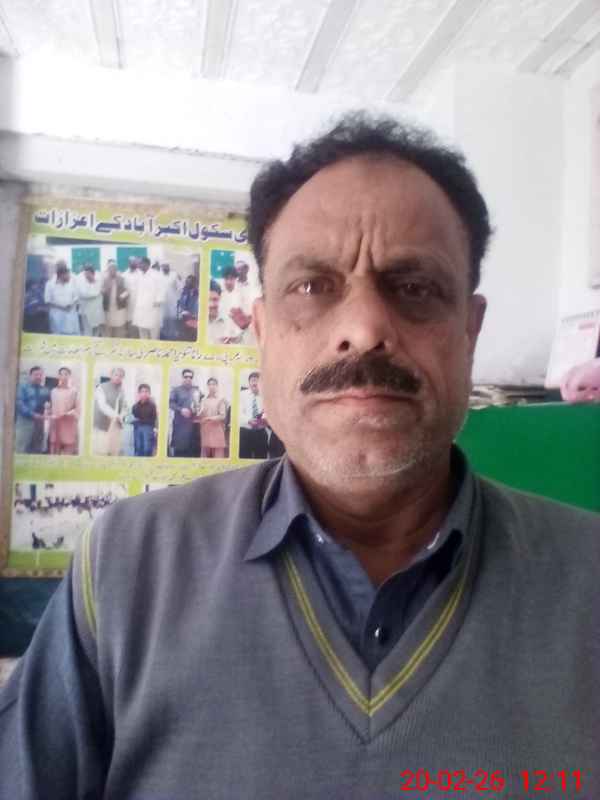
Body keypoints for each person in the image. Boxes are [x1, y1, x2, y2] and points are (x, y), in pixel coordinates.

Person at [2, 113, 600, 798]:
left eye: (415, 287)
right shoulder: (125, 566)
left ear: (470, 330)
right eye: (312, 287)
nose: (365, 329)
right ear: (262, 335)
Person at [14, 366, 50, 453]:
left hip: (39, 423)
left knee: (37, 448)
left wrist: (48, 410)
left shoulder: (45, 390)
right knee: (21, 448)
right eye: (36, 374)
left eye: (41, 375)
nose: (38, 377)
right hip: (25, 422)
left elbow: (49, 405)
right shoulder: (22, 387)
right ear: (30, 375)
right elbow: (19, 404)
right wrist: (33, 414)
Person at [92, 367, 127, 456]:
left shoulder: (122, 390)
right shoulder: (101, 387)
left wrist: (121, 416)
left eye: (121, 376)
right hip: (101, 423)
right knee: (101, 451)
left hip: (115, 425)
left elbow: (124, 406)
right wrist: (116, 416)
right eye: (116, 375)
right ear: (111, 375)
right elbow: (102, 405)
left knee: (113, 451)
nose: (118, 377)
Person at [169, 369, 201, 457]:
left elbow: (201, 403)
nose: (188, 378)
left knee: (193, 452)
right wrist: (181, 409)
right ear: (182, 378)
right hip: (180, 425)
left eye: (190, 377)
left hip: (193, 426)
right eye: (186, 376)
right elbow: (170, 403)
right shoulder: (176, 390)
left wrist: (198, 409)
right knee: (180, 451)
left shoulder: (196, 390)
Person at [49, 366, 79, 455]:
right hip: (56, 424)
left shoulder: (74, 391)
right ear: (58, 376)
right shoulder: (53, 391)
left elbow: (78, 407)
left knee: (68, 449)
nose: (63, 376)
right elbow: (51, 407)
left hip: (69, 424)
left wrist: (67, 414)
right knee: (54, 449)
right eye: (61, 374)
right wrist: (51, 414)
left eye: (66, 374)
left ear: (69, 376)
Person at [44, 262, 80, 335]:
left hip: (71, 317)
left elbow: (76, 296)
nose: (69, 277)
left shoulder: (72, 283)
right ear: (61, 275)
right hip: (57, 318)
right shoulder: (50, 284)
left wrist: (72, 304)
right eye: (67, 275)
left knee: (73, 337)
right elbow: (47, 301)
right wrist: (62, 307)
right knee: (58, 337)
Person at [133, 256, 164, 339]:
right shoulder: (139, 275)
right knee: (143, 334)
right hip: (141, 310)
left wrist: (158, 301)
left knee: (154, 336)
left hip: (152, 310)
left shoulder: (156, 274)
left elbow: (162, 289)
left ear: (146, 264)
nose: (138, 265)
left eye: (140, 263)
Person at [239, 371, 268, 458]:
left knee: (261, 459)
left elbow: (268, 412)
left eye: (257, 381)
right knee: (244, 459)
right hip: (245, 433)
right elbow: (238, 413)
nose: (255, 383)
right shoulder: (241, 395)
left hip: (260, 433)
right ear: (249, 382)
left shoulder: (266, 396)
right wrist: (248, 420)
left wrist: (263, 419)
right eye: (253, 380)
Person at [219, 265, 251, 343]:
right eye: (226, 278)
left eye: (231, 279)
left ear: (235, 279)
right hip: (222, 336)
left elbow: (248, 316)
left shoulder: (242, 293)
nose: (228, 282)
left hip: (238, 337)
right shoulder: (219, 294)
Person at [198, 377, 227, 458]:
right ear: (207, 386)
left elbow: (223, 416)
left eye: (214, 384)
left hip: (217, 430)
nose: (212, 386)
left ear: (217, 386)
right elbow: (200, 414)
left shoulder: (221, 399)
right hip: (205, 430)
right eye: (210, 384)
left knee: (218, 457)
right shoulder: (203, 400)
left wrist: (209, 418)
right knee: (204, 457)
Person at [101, 260, 128, 338]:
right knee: (109, 329)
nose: (112, 271)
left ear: (116, 270)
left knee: (119, 329)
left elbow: (127, 291)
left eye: (113, 269)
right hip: (108, 309)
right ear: (108, 270)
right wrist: (103, 291)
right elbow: (101, 290)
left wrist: (122, 296)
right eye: (110, 269)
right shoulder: (105, 280)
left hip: (119, 308)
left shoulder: (122, 279)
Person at [75, 265, 104, 336]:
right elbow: (84, 294)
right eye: (85, 274)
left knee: (97, 331)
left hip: (97, 311)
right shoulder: (81, 280)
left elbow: (102, 290)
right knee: (87, 332)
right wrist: (97, 292)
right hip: (86, 311)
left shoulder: (99, 279)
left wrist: (96, 288)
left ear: (93, 273)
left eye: (88, 274)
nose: (86, 276)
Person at [131, 383, 157, 457]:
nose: (144, 394)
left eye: (146, 391)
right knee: (138, 448)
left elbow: (154, 419)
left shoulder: (152, 405)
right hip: (137, 429)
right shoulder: (135, 406)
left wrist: (155, 429)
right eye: (142, 391)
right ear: (139, 393)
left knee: (147, 449)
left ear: (149, 393)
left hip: (148, 429)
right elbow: (133, 418)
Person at [178, 274, 199, 341]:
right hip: (184, 317)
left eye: (189, 282)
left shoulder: (197, 293)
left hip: (193, 318)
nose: (187, 283)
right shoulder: (184, 291)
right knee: (184, 336)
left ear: (194, 283)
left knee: (191, 336)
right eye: (186, 282)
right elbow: (181, 302)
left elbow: (195, 306)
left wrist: (191, 314)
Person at [123, 256, 140, 338]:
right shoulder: (124, 275)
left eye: (134, 262)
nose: (133, 263)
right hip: (129, 305)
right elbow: (123, 290)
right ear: (128, 263)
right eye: (131, 262)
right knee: (131, 330)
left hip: (140, 305)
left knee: (140, 329)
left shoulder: (141, 274)